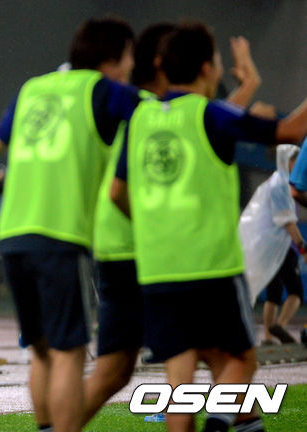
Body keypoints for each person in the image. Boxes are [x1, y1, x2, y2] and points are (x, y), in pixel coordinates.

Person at [111, 22, 307, 432]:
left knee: (180, 379)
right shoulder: (211, 114)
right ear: (207, 68)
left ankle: (232, 421)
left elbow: (117, 193)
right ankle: (218, 423)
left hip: (159, 268)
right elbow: (290, 130)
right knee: (242, 361)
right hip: (210, 265)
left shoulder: (143, 118)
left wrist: (152, 227)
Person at [83, 23, 264, 426]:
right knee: (221, 359)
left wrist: (247, 89)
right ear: (162, 63)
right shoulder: (149, 109)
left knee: (197, 363)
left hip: (129, 247)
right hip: (143, 247)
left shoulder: (142, 110)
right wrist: (248, 92)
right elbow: (208, 126)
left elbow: (209, 124)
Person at [0, 16, 141, 432]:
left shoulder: (32, 88)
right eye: (129, 57)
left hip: (12, 235)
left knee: (43, 351)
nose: (131, 67)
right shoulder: (104, 90)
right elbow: (161, 114)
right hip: (61, 236)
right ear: (111, 60)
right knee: (69, 351)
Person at [240, 144, 304, 345]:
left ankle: (268, 336)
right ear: (289, 161)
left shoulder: (275, 182)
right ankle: (280, 325)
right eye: (298, 162)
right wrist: (302, 246)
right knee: (296, 291)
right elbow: (287, 220)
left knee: (273, 291)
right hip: (281, 246)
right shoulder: (281, 184)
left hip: (269, 247)